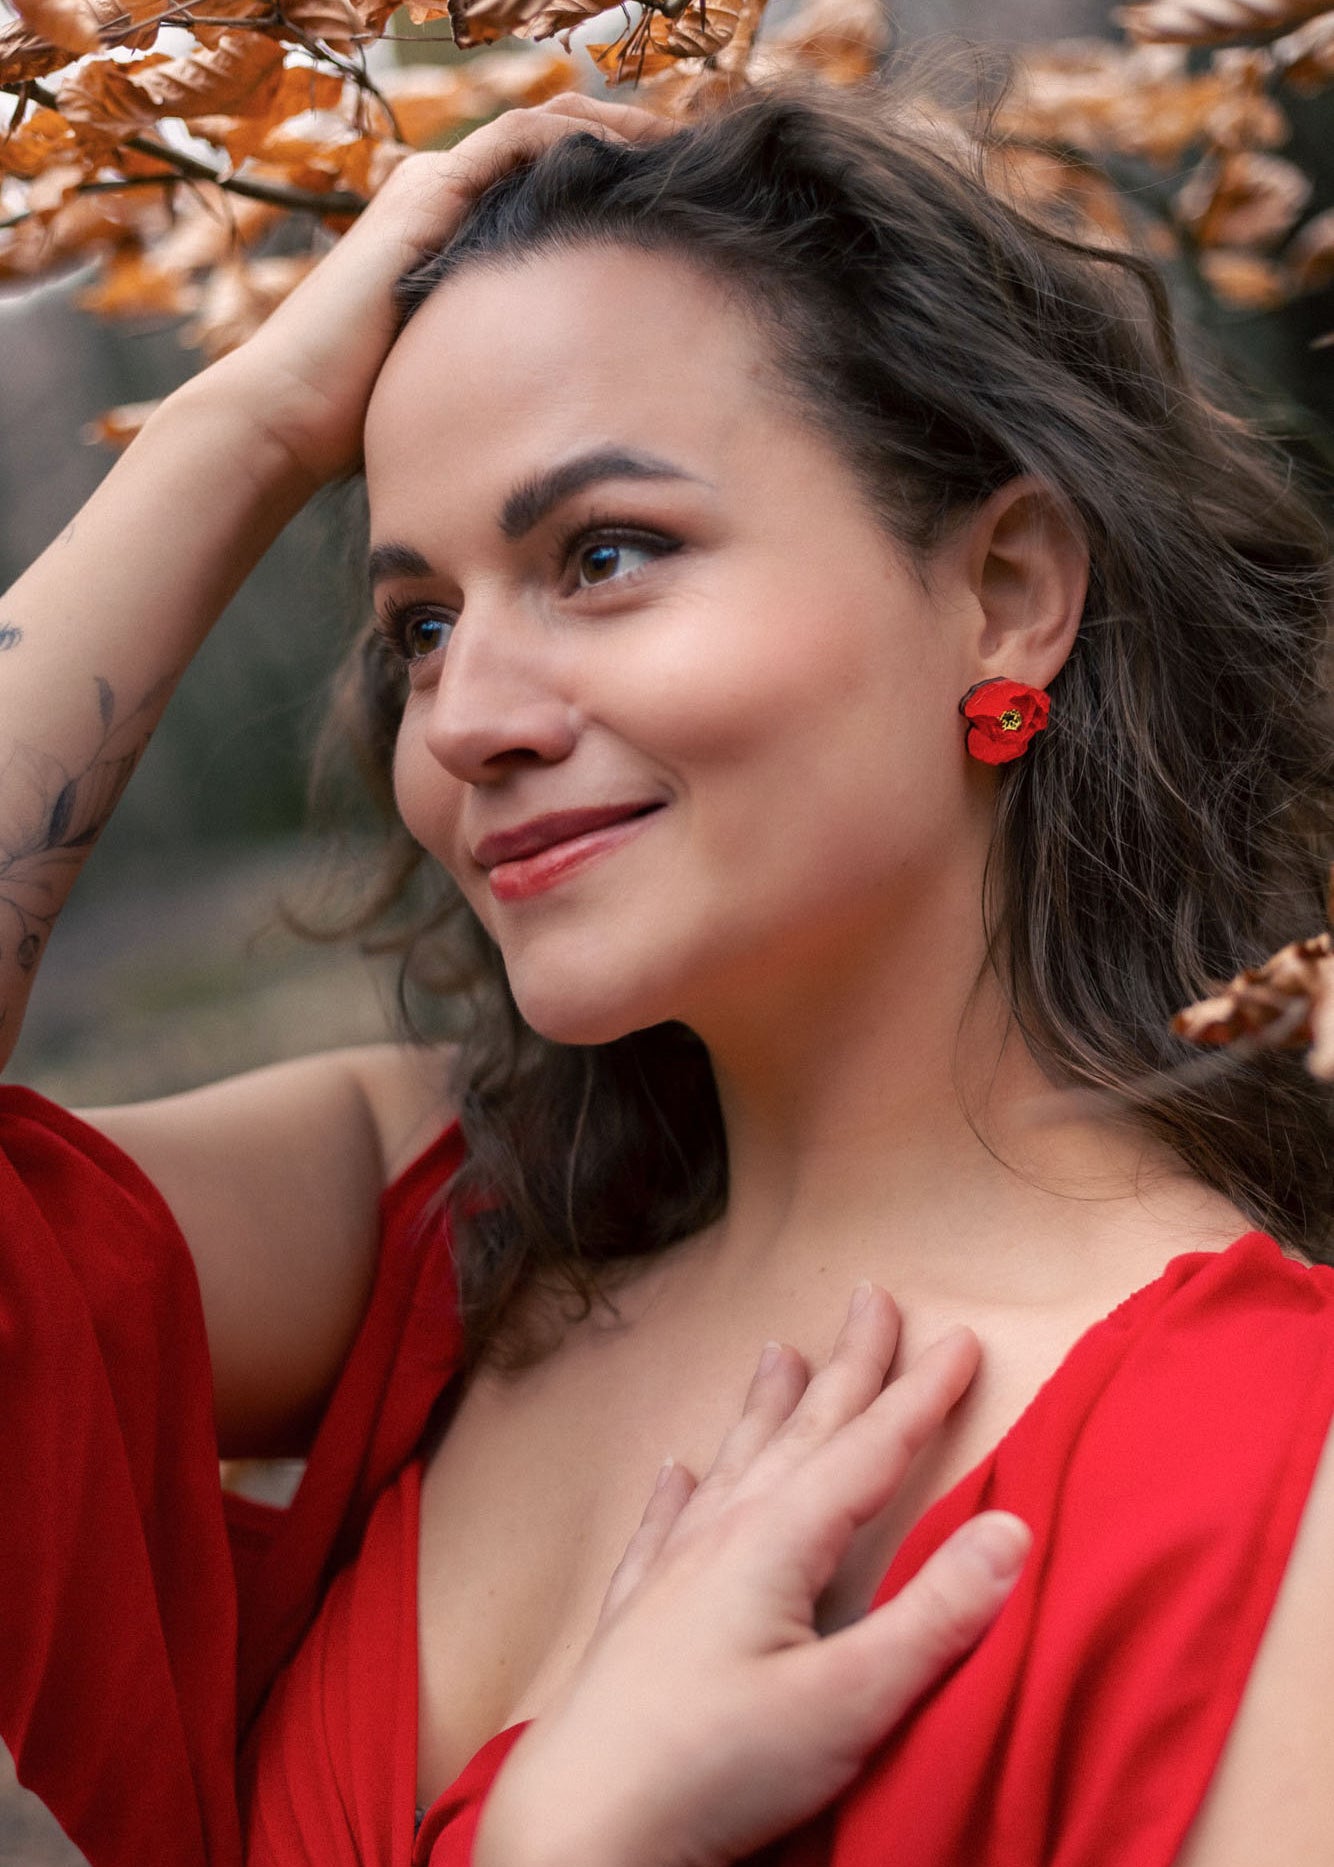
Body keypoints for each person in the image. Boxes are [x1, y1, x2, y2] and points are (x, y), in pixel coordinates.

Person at [2, 69, 1334, 1867]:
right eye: (418, 626)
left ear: (1006, 587)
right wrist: (235, 436)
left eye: (605, 554)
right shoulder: (438, 1228)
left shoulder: (1267, 1479)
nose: (462, 721)